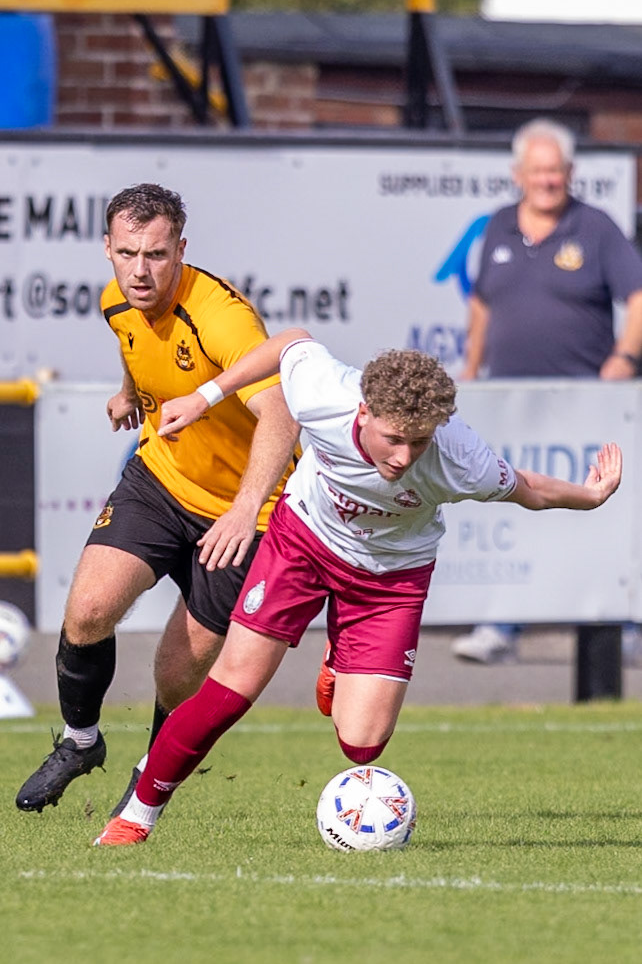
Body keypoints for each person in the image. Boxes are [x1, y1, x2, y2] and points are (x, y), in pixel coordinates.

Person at [91, 328, 622, 845]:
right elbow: (288, 342)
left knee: (362, 746)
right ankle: (137, 816)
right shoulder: (329, 391)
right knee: (233, 688)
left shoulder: (460, 458)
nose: (404, 457)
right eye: (394, 438)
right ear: (363, 413)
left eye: (419, 442)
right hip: (301, 543)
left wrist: (589, 496)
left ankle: (340, 655)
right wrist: (207, 395)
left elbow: (528, 488)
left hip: (390, 579)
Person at [15, 184, 300, 815]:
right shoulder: (115, 298)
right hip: (161, 479)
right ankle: (80, 742)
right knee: (87, 610)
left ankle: (149, 779)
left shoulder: (223, 318)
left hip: (244, 511)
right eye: (127, 254)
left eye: (157, 255)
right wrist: (129, 393)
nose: (140, 271)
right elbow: (137, 348)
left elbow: (281, 416)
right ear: (108, 251)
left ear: (181, 250)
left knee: (178, 670)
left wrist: (242, 507)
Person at [451, 117, 642, 664]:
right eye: (537, 171)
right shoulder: (499, 226)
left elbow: (637, 297)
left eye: (555, 171)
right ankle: (499, 625)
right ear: (519, 174)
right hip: (512, 400)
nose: (547, 181)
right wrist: (472, 365)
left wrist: (623, 358)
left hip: (583, 398)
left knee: (597, 503)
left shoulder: (597, 227)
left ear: (569, 173)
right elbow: (482, 302)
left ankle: (622, 623)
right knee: (510, 502)